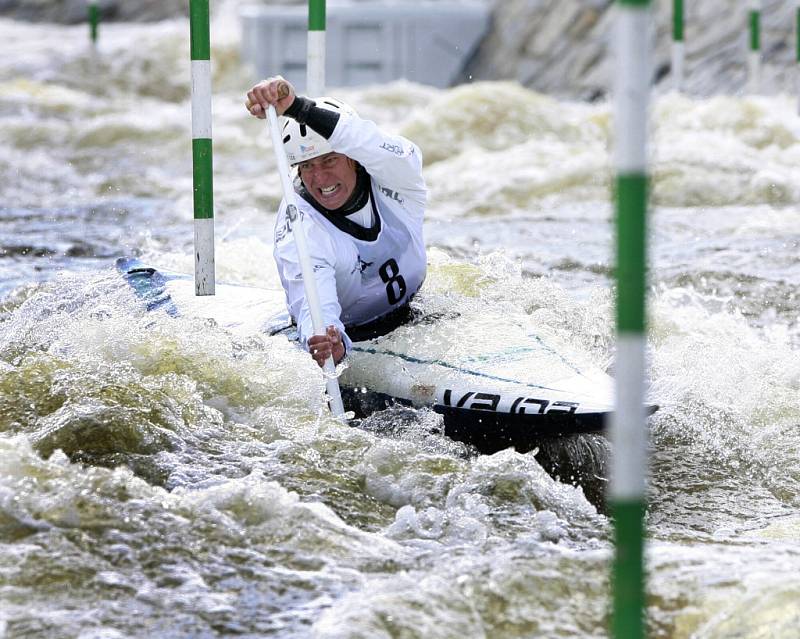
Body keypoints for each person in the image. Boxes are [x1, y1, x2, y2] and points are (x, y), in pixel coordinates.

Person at [245, 77, 427, 368]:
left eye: (329, 161)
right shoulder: (302, 228)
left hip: (418, 312)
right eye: (307, 166)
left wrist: (297, 108)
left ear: (353, 158)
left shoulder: (398, 180)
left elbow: (371, 142)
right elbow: (313, 304)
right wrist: (332, 343)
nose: (320, 179)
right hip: (357, 336)